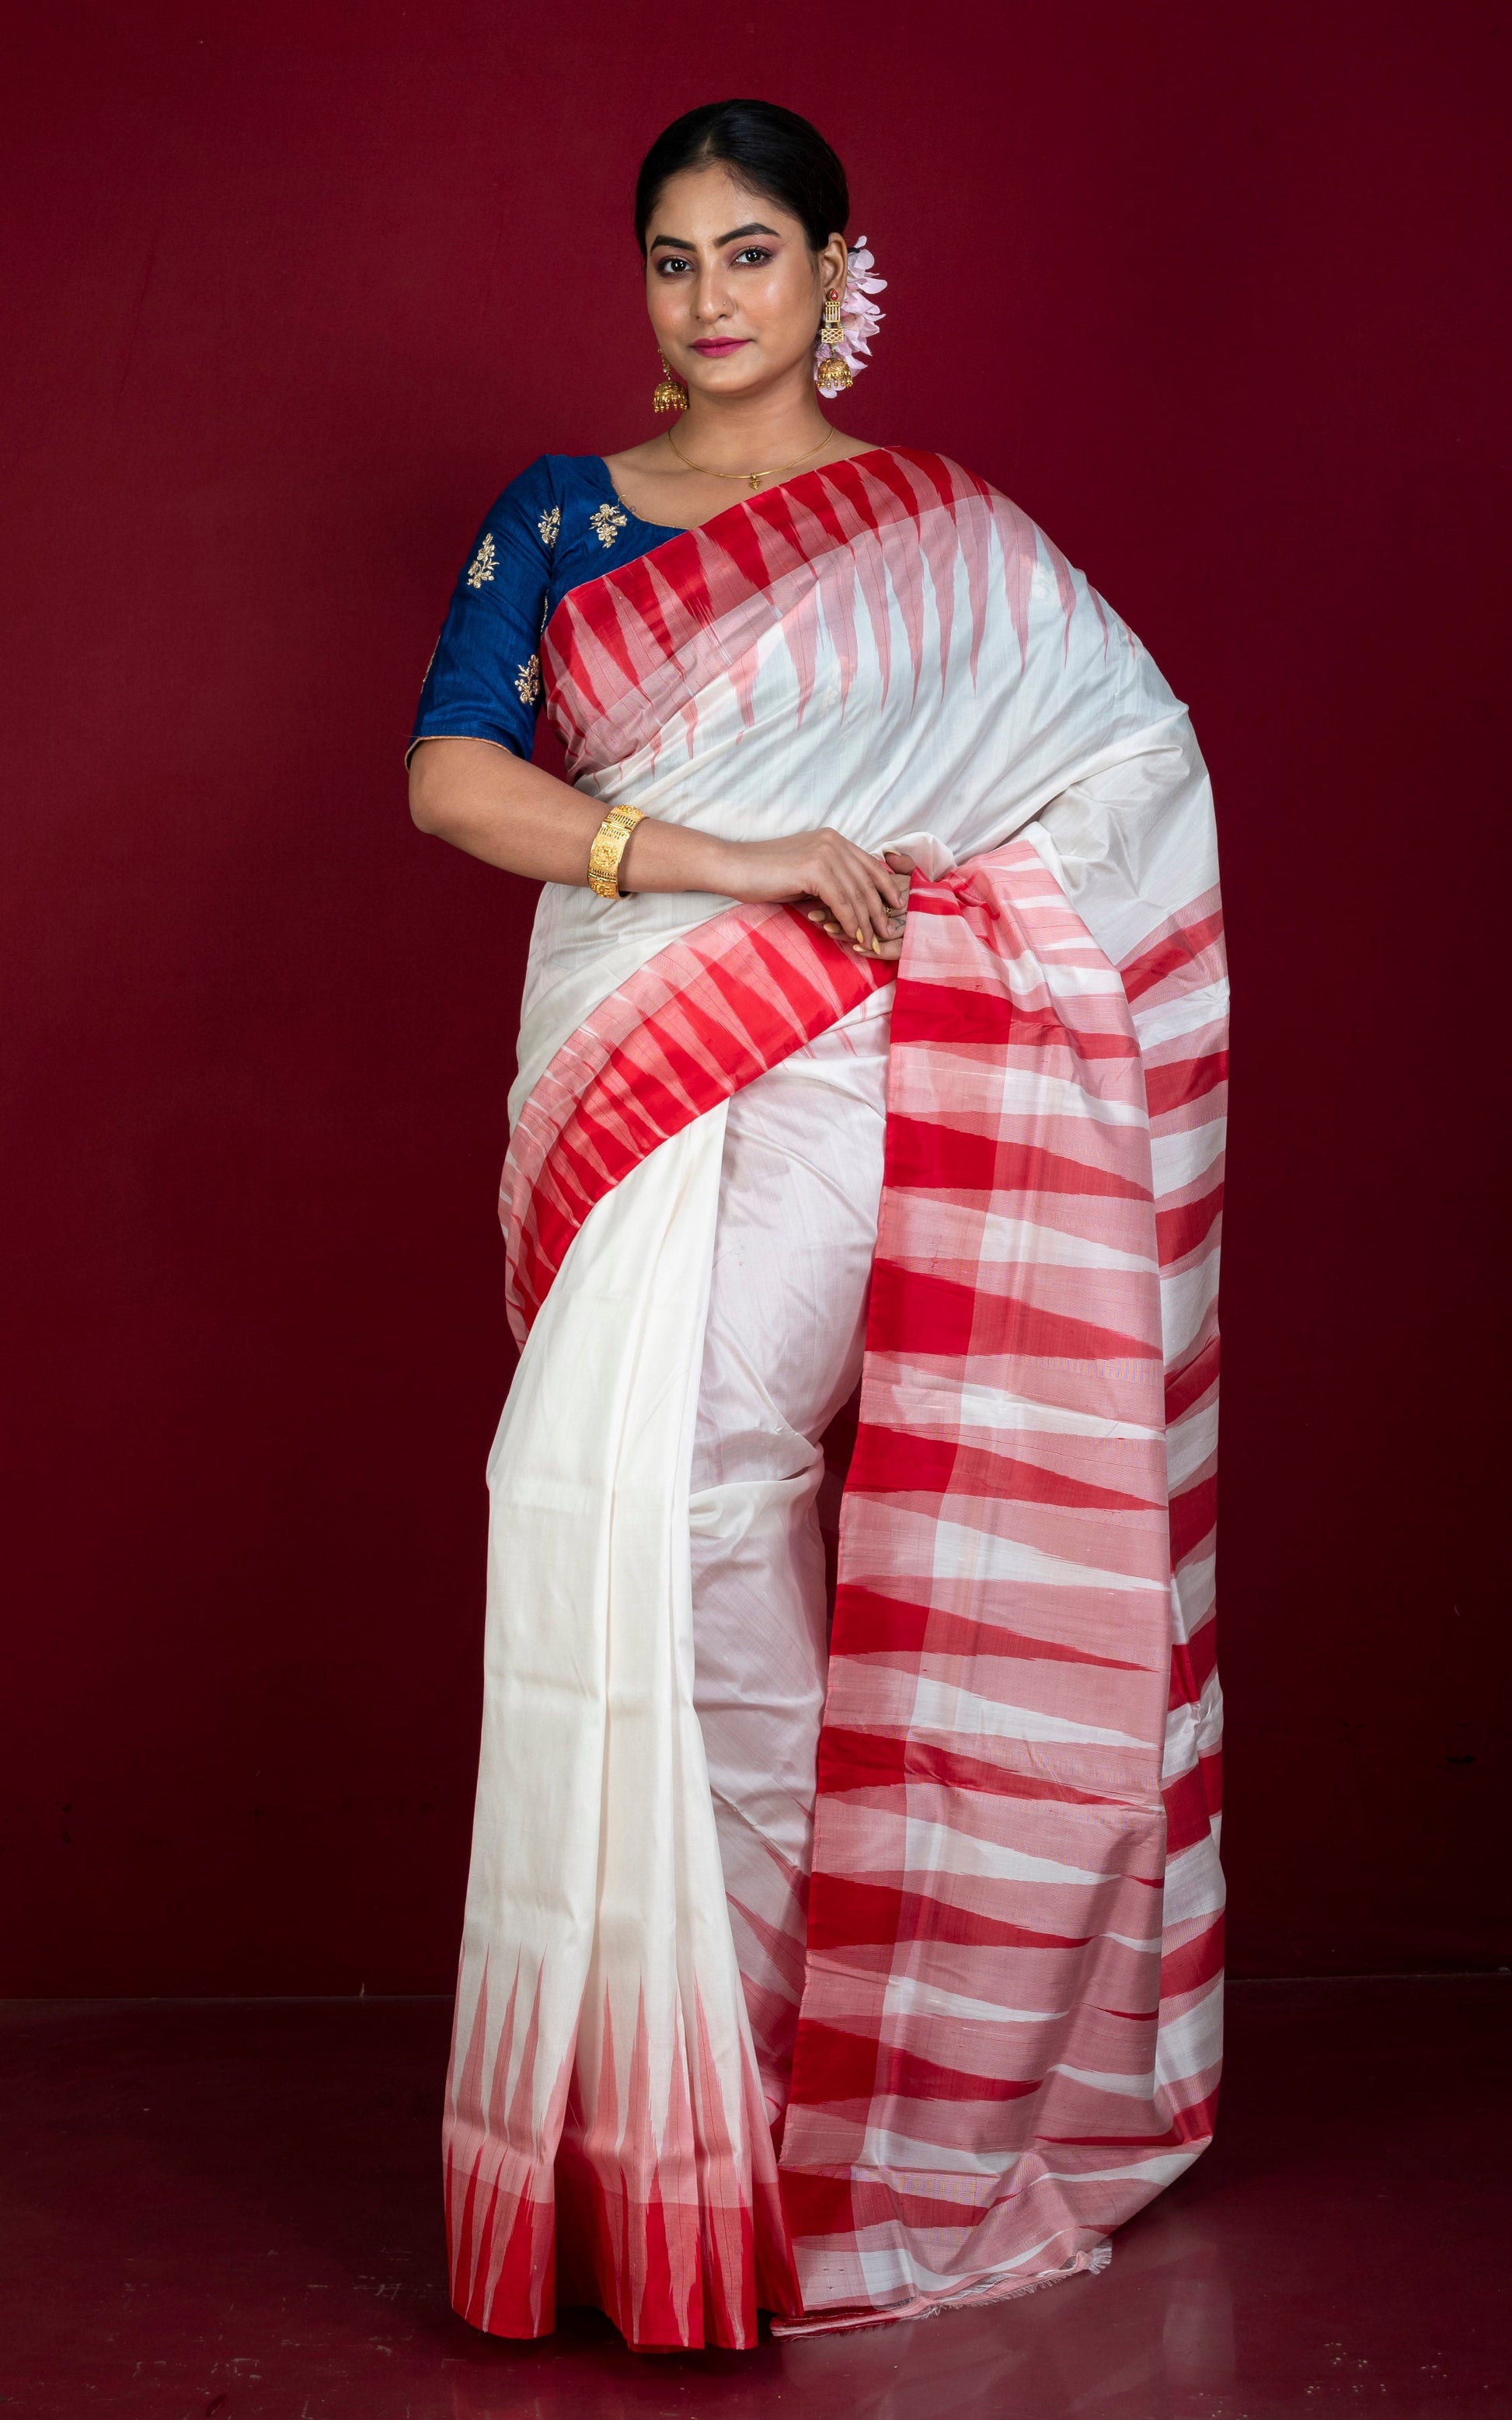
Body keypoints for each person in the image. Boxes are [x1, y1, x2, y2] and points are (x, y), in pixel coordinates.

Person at [407, 97, 1227, 2353]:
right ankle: (660, 2095)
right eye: (670, 259)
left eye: (748, 252)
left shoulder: (951, 539)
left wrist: (872, 913)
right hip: (638, 1054)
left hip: (857, 1066)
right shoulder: (561, 518)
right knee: (582, 1499)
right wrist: (712, 858)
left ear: (836, 271)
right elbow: (454, 771)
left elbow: (1126, 775)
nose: (707, 299)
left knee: (692, 1495)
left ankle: (796, 2075)